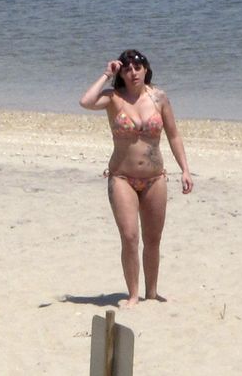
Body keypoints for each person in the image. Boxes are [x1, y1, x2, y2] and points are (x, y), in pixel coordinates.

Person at [79, 50, 193, 308]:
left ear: (146, 69)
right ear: (122, 73)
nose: (133, 73)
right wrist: (107, 74)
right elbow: (85, 101)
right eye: (127, 69)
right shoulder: (113, 98)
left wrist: (185, 169)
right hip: (121, 177)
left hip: (155, 178)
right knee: (130, 237)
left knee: (153, 239)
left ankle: (151, 292)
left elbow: (174, 135)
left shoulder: (159, 98)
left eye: (137, 67)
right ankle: (133, 294)